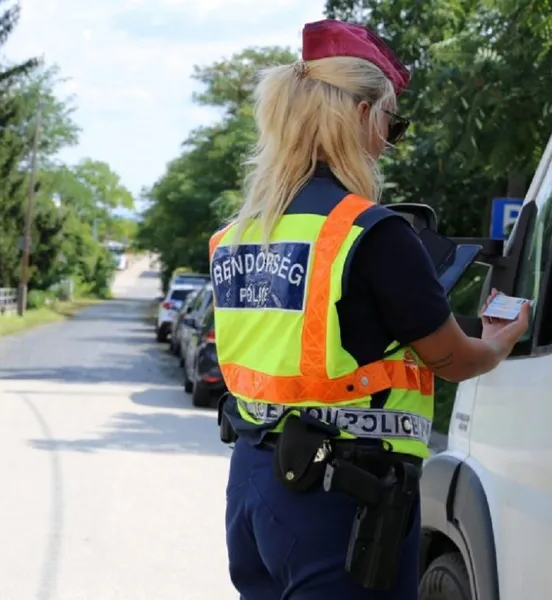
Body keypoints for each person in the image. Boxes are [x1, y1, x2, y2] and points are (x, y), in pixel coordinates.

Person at [209, 18, 531, 600]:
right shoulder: (371, 232)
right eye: (392, 123)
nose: (389, 140)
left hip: (256, 485)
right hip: (341, 497)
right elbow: (452, 360)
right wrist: (501, 339)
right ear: (361, 116)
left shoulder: (237, 235)